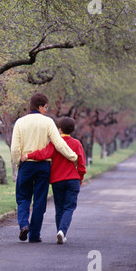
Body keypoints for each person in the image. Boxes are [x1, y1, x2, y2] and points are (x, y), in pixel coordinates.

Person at [11, 93, 77, 243]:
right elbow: (59, 144)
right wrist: (73, 157)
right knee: (40, 200)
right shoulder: (48, 122)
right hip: (43, 166)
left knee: (23, 197)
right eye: (46, 107)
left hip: (26, 164)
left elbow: (15, 148)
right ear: (40, 106)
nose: (47, 110)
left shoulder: (20, 122)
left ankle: (23, 225)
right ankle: (34, 235)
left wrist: (18, 163)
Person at [22, 116, 86, 244]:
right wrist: (80, 177)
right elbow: (81, 164)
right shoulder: (77, 143)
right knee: (69, 207)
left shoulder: (55, 144)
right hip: (72, 180)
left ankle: (60, 231)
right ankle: (62, 231)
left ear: (59, 129)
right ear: (72, 129)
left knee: (59, 208)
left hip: (58, 181)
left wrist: (28, 155)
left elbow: (43, 154)